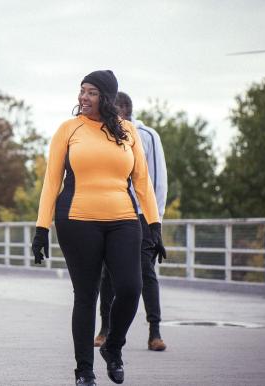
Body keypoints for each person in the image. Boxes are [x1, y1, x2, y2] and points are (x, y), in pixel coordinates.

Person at [31, 70, 167, 386]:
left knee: (131, 288)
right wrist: (42, 228)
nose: (83, 97)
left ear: (105, 98)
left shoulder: (128, 131)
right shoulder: (68, 129)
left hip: (123, 220)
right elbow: (52, 181)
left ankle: (113, 347)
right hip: (77, 220)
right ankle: (84, 371)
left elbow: (143, 182)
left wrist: (154, 223)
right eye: (82, 91)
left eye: (91, 92)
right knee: (86, 295)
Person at [95, 91, 169, 352]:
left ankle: (154, 331)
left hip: (141, 216)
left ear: (122, 109)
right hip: (112, 214)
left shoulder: (147, 135)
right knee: (107, 275)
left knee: (145, 272)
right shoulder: (103, 133)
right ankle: (105, 329)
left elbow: (157, 181)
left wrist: (155, 221)